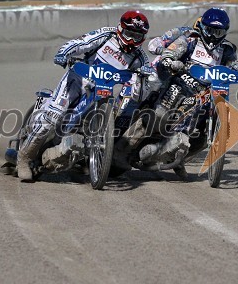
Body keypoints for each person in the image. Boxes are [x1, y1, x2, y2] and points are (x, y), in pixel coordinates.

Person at [16, 10, 153, 181]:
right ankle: (24, 159)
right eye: (129, 34)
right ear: (120, 28)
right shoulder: (106, 35)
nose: (132, 40)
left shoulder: (141, 58)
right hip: (77, 81)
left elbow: (140, 93)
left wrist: (143, 76)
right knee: (53, 116)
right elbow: (80, 43)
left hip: (102, 91)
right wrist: (64, 53)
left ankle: (87, 157)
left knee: (99, 123)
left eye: (137, 36)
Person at [123, 7, 238, 179]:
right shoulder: (189, 39)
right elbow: (170, 52)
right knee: (157, 116)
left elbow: (234, 65)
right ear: (202, 28)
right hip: (179, 86)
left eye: (219, 32)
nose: (214, 36)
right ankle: (122, 150)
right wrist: (170, 61)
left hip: (207, 92)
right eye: (210, 30)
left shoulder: (227, 49)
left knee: (203, 135)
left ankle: (179, 157)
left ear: (225, 32)